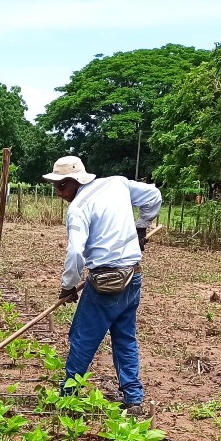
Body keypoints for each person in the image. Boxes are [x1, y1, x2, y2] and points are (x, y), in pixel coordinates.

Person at [44, 155, 161, 413]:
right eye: (56, 188)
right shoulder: (117, 184)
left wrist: (68, 286)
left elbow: (75, 253)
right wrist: (141, 227)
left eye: (62, 186)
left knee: (83, 337)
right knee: (124, 337)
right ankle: (133, 397)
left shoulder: (78, 209)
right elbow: (153, 196)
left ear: (75, 181)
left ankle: (68, 395)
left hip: (107, 283)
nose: (60, 193)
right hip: (133, 275)